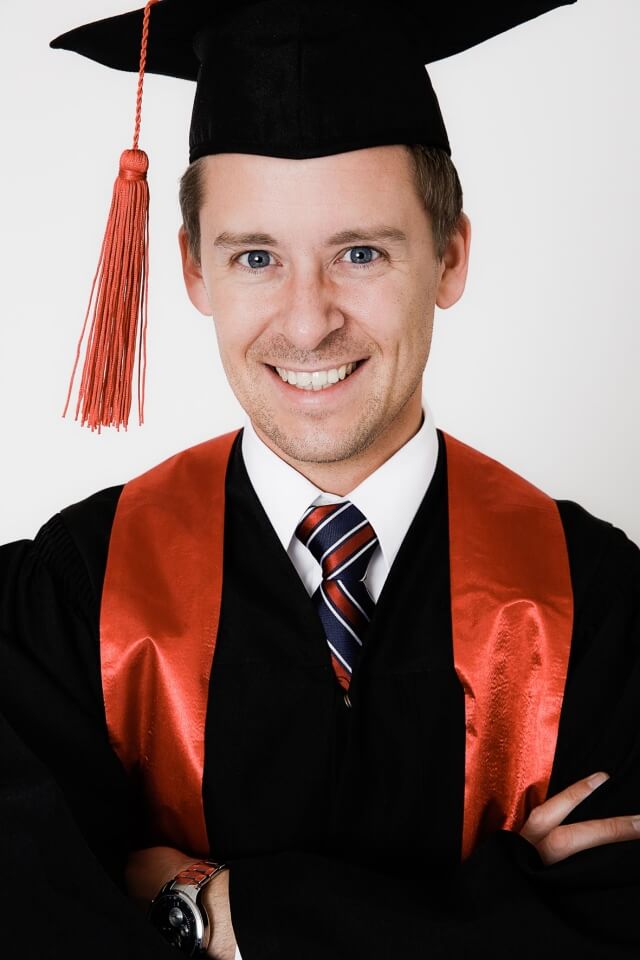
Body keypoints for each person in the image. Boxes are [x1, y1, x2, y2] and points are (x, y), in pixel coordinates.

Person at [1, 1, 639, 958]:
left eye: (361, 253)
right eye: (256, 258)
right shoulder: (70, 597)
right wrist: (494, 912)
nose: (307, 323)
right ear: (194, 272)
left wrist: (211, 914)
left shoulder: (599, 604)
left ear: (450, 257)